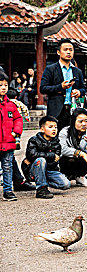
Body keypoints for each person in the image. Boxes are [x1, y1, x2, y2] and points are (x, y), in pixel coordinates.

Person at [40, 39, 86, 130]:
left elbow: (83, 89)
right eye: (65, 50)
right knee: (56, 138)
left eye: (71, 50)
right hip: (56, 110)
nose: (68, 52)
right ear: (58, 52)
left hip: (73, 109)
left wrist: (79, 92)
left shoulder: (77, 71)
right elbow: (43, 88)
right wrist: (60, 87)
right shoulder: (51, 69)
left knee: (72, 138)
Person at [24, 116, 70, 199]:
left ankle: (42, 181)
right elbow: (31, 155)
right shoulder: (34, 140)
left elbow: (55, 161)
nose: (54, 129)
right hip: (33, 170)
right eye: (50, 127)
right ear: (42, 129)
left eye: (55, 127)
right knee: (41, 160)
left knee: (66, 184)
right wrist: (51, 156)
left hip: (49, 170)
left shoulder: (56, 143)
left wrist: (50, 158)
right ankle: (41, 189)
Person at [6, 89, 36, 192]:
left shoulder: (9, 104)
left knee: (8, 155)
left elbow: (18, 118)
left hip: (8, 133)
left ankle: (18, 181)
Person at [0, 72, 23, 201]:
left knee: (7, 166)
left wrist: (17, 130)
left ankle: (8, 190)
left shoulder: (11, 105)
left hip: (8, 141)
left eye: (5, 85)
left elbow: (18, 119)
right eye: (0, 85)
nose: (3, 88)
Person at [58, 108, 87, 186]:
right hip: (64, 160)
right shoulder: (64, 132)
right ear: (74, 121)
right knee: (69, 160)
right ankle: (65, 176)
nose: (84, 124)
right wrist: (81, 153)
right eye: (80, 121)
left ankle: (80, 177)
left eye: (86, 121)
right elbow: (63, 149)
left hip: (79, 160)